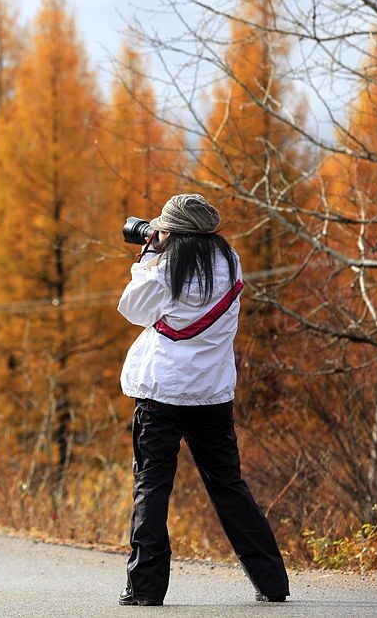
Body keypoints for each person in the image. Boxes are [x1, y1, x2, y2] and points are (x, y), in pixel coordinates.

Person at [115, 193, 290, 607]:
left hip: (162, 394)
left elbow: (132, 310)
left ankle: (145, 588)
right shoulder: (230, 263)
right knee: (229, 485)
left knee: (152, 486)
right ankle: (271, 582)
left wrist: (147, 257)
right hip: (211, 394)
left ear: (173, 233)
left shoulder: (165, 269)